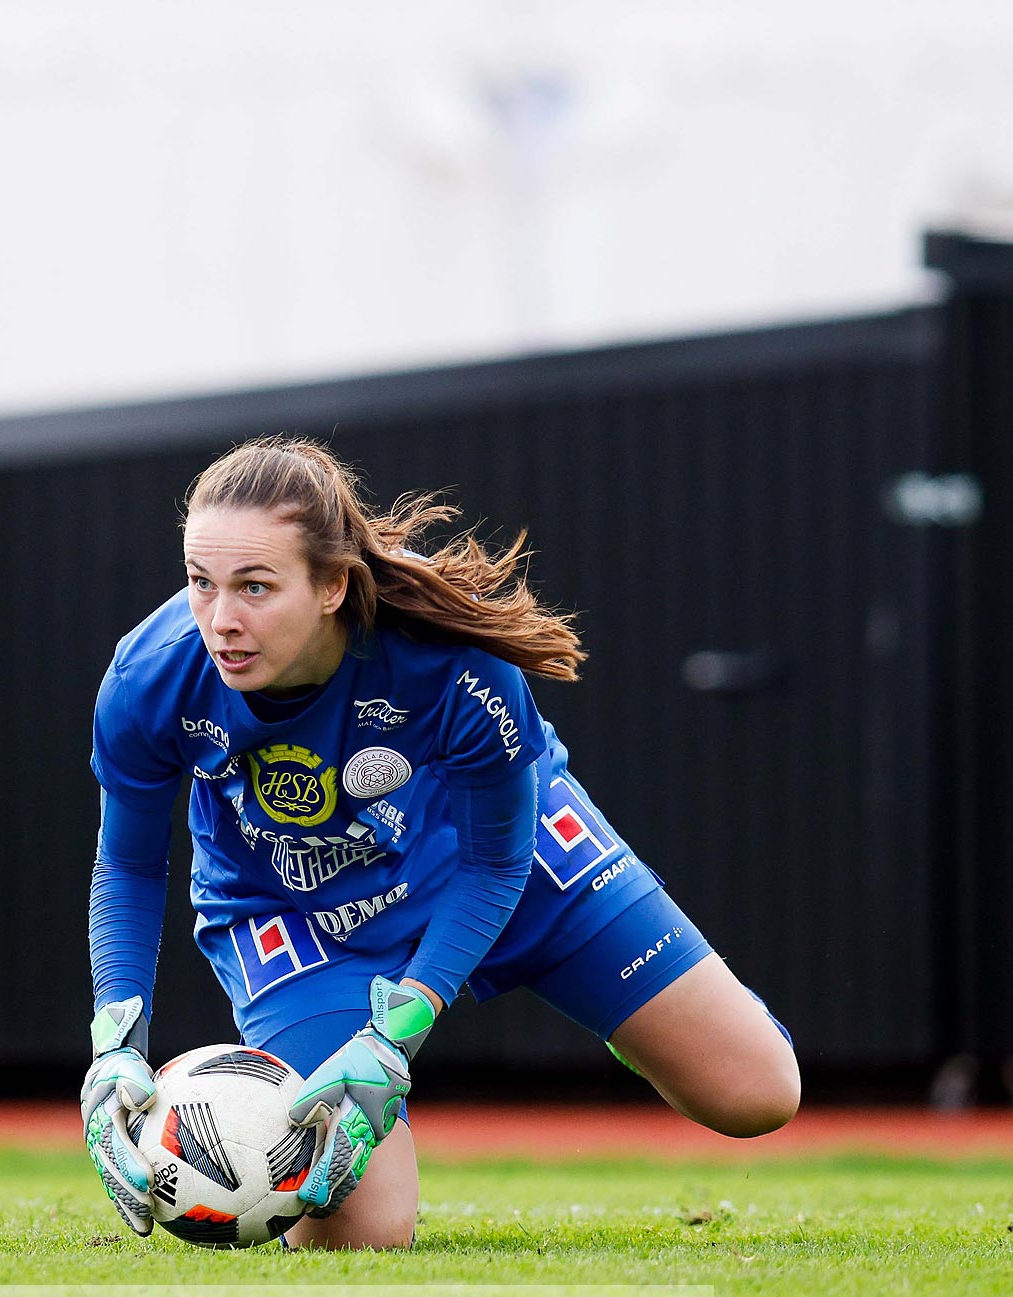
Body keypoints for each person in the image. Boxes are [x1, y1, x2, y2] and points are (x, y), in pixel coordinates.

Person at [79, 436, 800, 1251]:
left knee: (757, 1095)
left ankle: (622, 1018)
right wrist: (115, 1043)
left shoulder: (457, 665)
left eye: (255, 587)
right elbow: (129, 864)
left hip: (512, 868)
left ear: (332, 587)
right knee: (359, 1236)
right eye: (200, 583)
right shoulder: (148, 676)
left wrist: (395, 1037)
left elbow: (499, 861)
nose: (220, 620)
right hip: (295, 918)